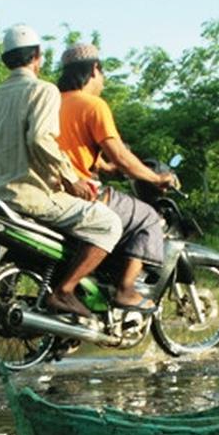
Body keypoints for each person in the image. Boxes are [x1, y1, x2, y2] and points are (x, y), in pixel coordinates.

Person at [0, 24, 123, 319]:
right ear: (38, 56)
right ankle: (64, 291)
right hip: (31, 196)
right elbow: (40, 139)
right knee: (108, 224)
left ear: (5, 59)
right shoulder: (42, 89)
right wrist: (71, 178)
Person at [55, 42, 177, 311]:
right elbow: (121, 156)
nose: (103, 81)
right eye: (103, 74)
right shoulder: (93, 105)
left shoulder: (51, 101)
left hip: (51, 191)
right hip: (80, 193)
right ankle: (125, 290)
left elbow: (69, 147)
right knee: (147, 217)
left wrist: (106, 167)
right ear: (95, 70)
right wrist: (157, 179)